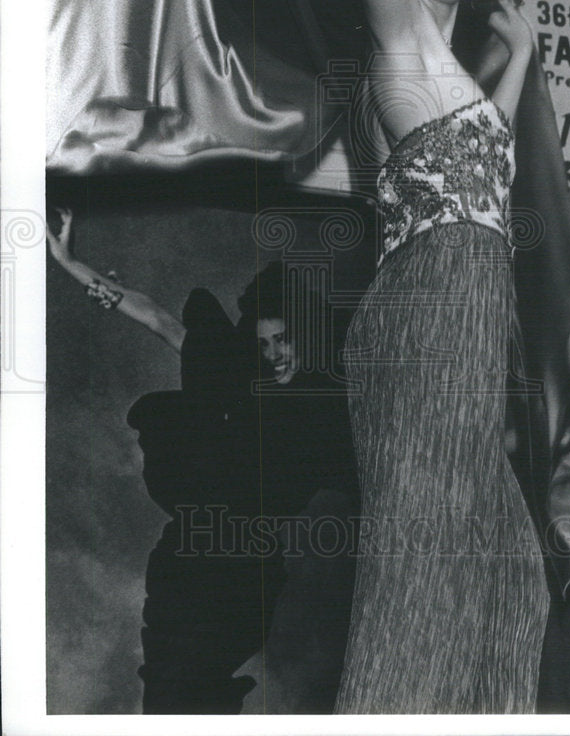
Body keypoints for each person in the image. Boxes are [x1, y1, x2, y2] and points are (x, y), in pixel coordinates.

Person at [206, 0, 550, 713]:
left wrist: (517, 61)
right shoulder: (399, 42)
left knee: (513, 578)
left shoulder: (446, 73)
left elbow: (485, 157)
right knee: (428, 574)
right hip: (437, 303)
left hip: (461, 305)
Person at [46, 207, 358, 713]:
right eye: (263, 344)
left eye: (283, 339)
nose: (275, 354)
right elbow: (158, 318)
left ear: (304, 336)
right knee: (167, 687)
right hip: (188, 556)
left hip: (246, 571)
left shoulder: (325, 413)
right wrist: (71, 262)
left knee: (202, 690)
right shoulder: (237, 378)